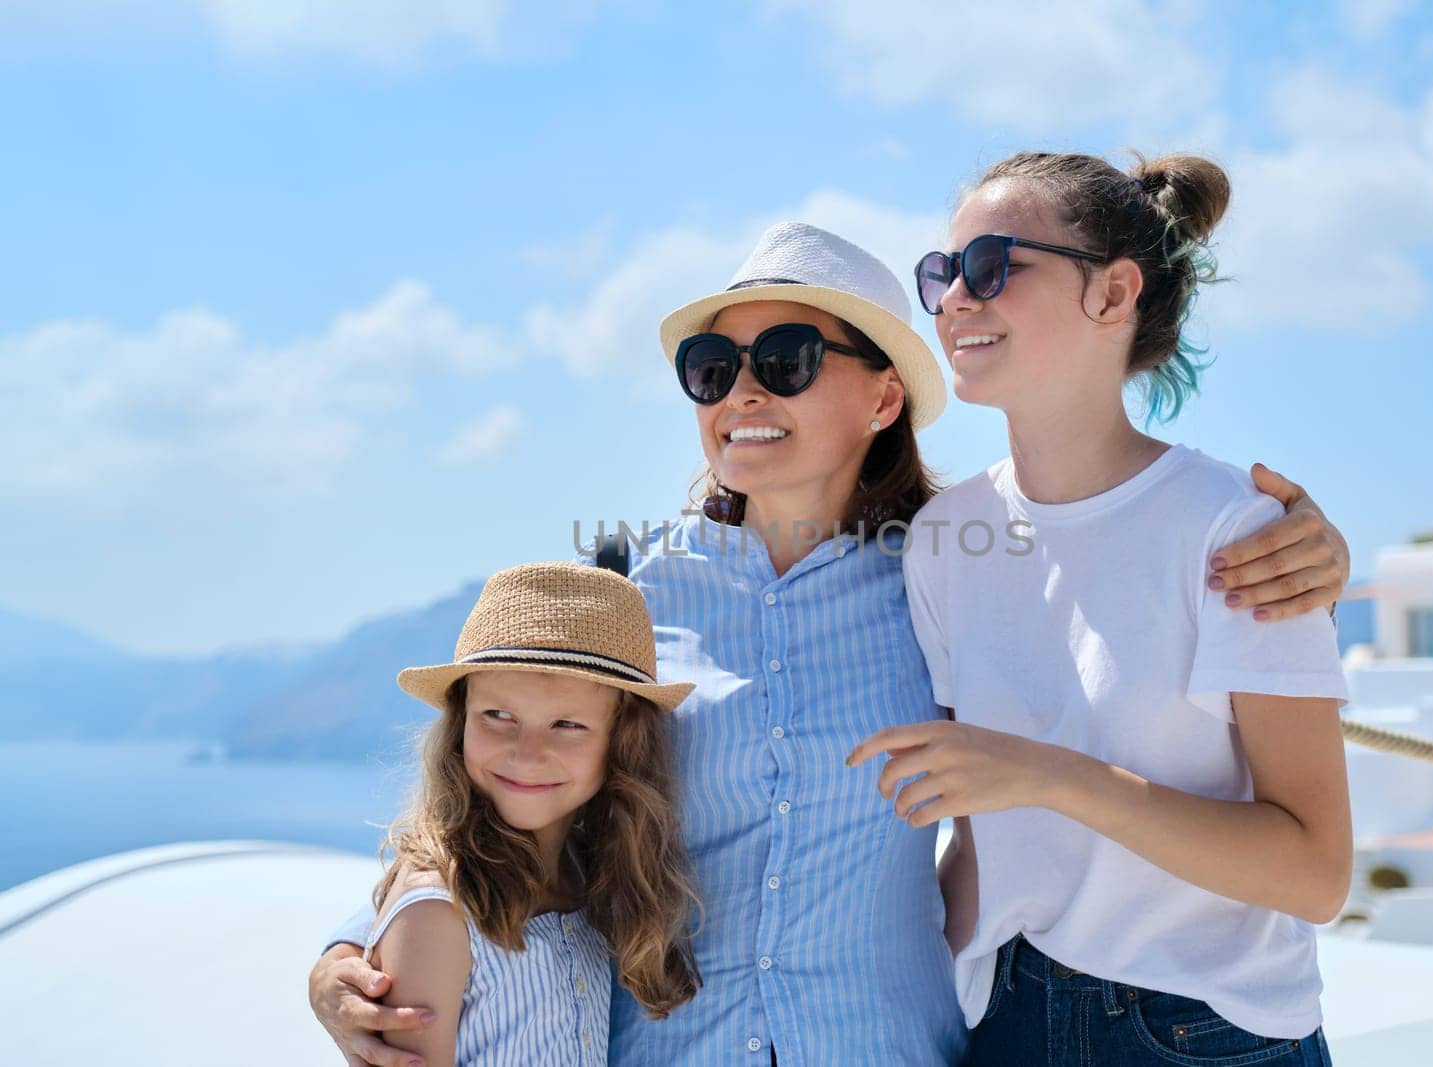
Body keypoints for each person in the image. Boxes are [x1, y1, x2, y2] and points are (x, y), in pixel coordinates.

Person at [309, 221, 1352, 1067]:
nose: (742, 394)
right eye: (712, 369)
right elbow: (498, 788)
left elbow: (1114, 590)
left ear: (883, 395)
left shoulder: (956, 570)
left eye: (785, 361)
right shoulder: (626, 591)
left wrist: (1307, 556)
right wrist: (349, 947)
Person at [848, 151, 1351, 1066]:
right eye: (942, 273)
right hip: (1003, 1018)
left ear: (1113, 295)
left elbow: (1315, 872)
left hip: (1207, 1031)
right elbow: (981, 844)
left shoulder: (1238, 532)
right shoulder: (942, 540)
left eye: (992, 265)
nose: (956, 297)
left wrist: (1051, 775)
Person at [357, 562, 699, 1065]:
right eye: (498, 716)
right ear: (460, 723)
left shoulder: (587, 876)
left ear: (621, 745)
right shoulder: (437, 912)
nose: (526, 753)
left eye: (566, 724)